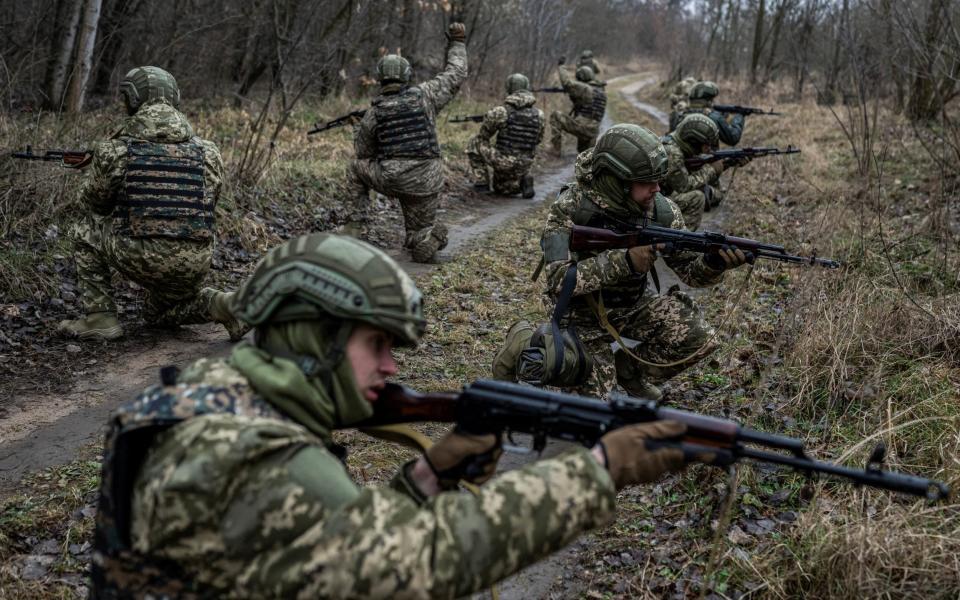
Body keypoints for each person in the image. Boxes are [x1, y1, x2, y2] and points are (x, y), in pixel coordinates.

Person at [90, 231, 696, 598]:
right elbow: (423, 560)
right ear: (313, 337)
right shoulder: (265, 458)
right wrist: (596, 471)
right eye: (375, 345)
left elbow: (320, 552)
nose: (390, 369)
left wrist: (424, 481)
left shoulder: (217, 395)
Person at [514, 124, 747, 400]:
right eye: (647, 182)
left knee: (699, 338)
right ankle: (530, 345)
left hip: (631, 304)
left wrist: (714, 263)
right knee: (594, 413)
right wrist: (625, 261)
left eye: (657, 180)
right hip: (580, 316)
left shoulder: (661, 210)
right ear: (618, 181)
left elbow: (691, 273)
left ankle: (630, 371)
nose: (657, 188)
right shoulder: (572, 207)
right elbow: (557, 280)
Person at [57, 66, 246, 342]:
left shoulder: (115, 150)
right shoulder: (208, 151)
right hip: (194, 259)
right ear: (175, 99)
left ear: (134, 101)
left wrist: (96, 168)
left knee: (84, 230)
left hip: (139, 255)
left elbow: (92, 204)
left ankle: (100, 318)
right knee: (156, 315)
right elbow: (209, 202)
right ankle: (223, 305)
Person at [344, 23, 468, 263]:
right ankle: (428, 236)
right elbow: (457, 73)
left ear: (380, 78)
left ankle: (353, 231)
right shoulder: (427, 95)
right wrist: (458, 42)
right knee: (416, 234)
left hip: (393, 180)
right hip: (427, 182)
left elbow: (363, 152)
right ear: (407, 75)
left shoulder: (374, 112)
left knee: (355, 168)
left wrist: (359, 129)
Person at [660, 113, 748, 230]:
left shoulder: (675, 143)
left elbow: (686, 172)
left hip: (658, 195)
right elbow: (685, 186)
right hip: (653, 202)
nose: (709, 149)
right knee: (697, 198)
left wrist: (727, 163)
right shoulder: (674, 153)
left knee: (715, 194)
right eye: (706, 145)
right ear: (694, 141)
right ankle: (680, 239)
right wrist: (711, 169)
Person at [466, 73, 545, 198]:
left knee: (474, 142)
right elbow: (538, 140)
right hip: (525, 163)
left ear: (509, 89)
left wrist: (490, 119)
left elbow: (483, 135)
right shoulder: (539, 114)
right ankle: (524, 178)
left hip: (504, 162)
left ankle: (482, 184)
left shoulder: (501, 111)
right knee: (503, 190)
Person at [549, 62, 606, 156]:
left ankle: (555, 150)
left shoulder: (584, 88)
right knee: (583, 152)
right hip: (593, 132)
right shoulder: (601, 92)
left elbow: (566, 83)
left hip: (582, 128)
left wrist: (561, 67)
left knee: (556, 116)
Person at [672, 80, 745, 146]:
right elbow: (733, 138)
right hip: (706, 160)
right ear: (709, 101)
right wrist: (739, 117)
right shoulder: (713, 117)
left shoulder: (678, 115)